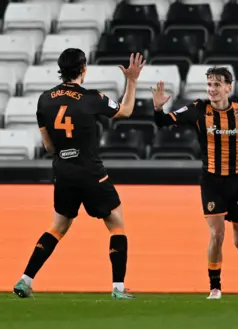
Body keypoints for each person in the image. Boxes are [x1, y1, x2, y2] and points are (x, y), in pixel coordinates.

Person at [13, 50, 144, 300]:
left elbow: (49, 147)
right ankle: (118, 288)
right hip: (90, 170)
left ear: (61, 70)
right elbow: (126, 111)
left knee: (58, 227)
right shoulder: (92, 98)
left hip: (63, 172)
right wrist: (133, 80)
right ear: (83, 69)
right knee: (116, 223)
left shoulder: (44, 99)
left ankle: (24, 280)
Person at [152, 66, 238, 300]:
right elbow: (162, 122)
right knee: (217, 235)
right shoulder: (198, 109)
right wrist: (158, 108)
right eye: (209, 84)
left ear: (229, 87)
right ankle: (215, 286)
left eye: (217, 84)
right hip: (211, 182)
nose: (212, 89)